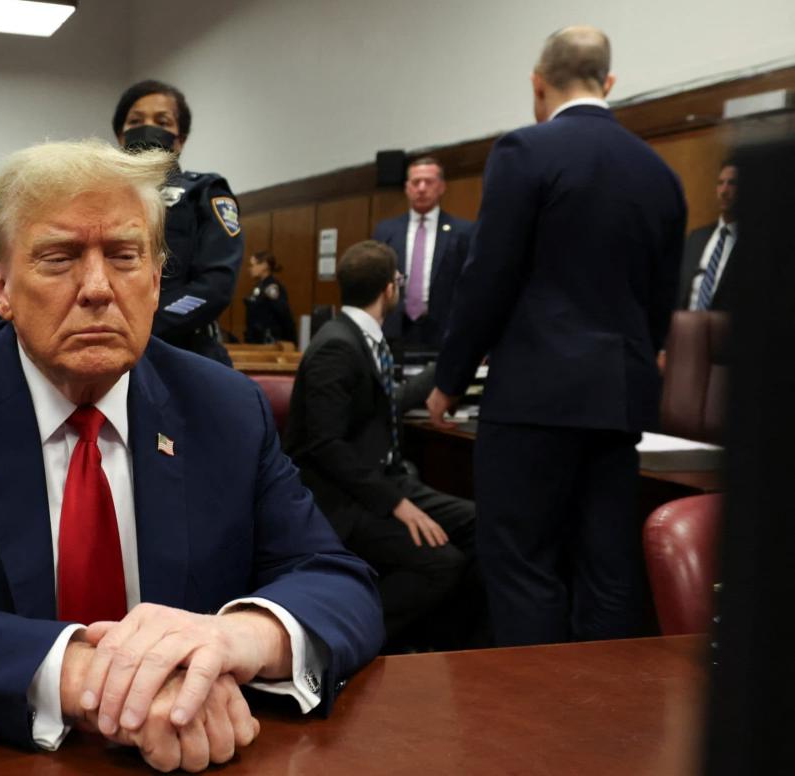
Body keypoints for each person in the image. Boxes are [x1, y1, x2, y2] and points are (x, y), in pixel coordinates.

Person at [0, 139, 382, 772]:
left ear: (154, 279)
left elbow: (337, 582)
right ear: (0, 285)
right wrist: (82, 672)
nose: (97, 288)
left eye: (124, 256)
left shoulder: (226, 409)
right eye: (59, 257)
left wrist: (234, 639)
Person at [427, 26, 686, 647]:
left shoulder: (525, 151)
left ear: (538, 83)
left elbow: (488, 276)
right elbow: (660, 302)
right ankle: (605, 717)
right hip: (618, 402)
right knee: (608, 567)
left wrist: (448, 382)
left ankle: (536, 721)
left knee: (522, 566)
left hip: (533, 401)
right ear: (610, 82)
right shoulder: (660, 173)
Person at [284, 240, 480, 649]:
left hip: (382, 480)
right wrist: (397, 504)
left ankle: (449, 648)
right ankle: (353, 641)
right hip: (341, 499)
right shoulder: (338, 346)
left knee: (479, 525)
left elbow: (380, 403)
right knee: (443, 564)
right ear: (391, 288)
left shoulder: (361, 338)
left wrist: (449, 368)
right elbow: (325, 446)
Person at [113, 79, 242, 366]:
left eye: (162, 120)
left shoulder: (204, 192)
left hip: (185, 350)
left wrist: (145, 324)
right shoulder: (99, 197)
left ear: (180, 138)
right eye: (135, 120)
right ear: (121, 136)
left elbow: (215, 285)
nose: (147, 127)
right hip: (110, 347)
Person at [370, 157, 473, 352]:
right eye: (416, 182)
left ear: (442, 187)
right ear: (407, 187)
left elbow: (470, 285)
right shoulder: (386, 231)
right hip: (395, 330)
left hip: (443, 331)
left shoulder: (463, 231)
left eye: (429, 181)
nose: (422, 188)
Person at [678, 160, 739, 311]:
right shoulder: (695, 238)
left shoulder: (754, 242)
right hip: (687, 328)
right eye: (720, 183)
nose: (724, 191)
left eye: (731, 183)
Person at [243, 251, 296, 344]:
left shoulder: (271, 287)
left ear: (264, 266)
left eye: (253, 265)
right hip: (257, 338)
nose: (250, 269)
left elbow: (283, 313)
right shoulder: (260, 286)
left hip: (268, 340)